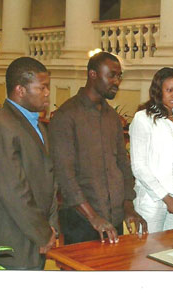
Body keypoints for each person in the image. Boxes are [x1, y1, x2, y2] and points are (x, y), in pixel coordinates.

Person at [49, 51, 147, 244]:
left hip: (114, 218)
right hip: (81, 221)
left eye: (119, 76)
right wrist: (93, 216)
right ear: (93, 74)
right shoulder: (66, 116)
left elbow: (122, 164)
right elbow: (65, 175)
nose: (117, 81)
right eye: (111, 75)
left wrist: (128, 207)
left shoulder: (112, 117)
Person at [0, 57, 58, 270]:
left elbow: (49, 179)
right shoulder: (1, 127)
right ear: (20, 90)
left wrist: (51, 228)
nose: (47, 93)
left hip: (35, 232)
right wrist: (43, 233)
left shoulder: (38, 126)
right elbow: (14, 191)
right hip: (12, 238)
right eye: (42, 87)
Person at [129, 67, 173, 233]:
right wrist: (166, 199)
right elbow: (139, 166)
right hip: (152, 200)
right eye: (169, 90)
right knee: (148, 252)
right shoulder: (143, 118)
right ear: (158, 91)